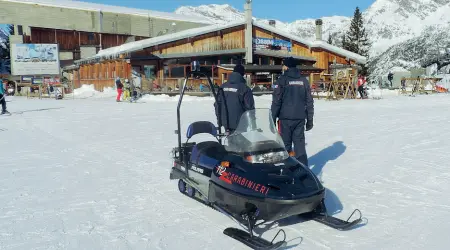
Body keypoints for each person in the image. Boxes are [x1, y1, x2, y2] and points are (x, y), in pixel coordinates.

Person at [271, 57, 314, 167]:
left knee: (285, 145)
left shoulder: (282, 80)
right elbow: (309, 102)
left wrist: (272, 119)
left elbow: (276, 101)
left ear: (286, 66)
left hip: (285, 119)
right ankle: (304, 170)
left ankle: (287, 170)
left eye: (283, 65)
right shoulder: (304, 80)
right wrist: (310, 120)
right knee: (299, 145)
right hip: (300, 118)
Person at [214, 64, 255, 133]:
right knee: (240, 142)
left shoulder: (222, 87)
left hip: (225, 122)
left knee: (230, 142)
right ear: (242, 74)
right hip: (240, 123)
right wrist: (253, 125)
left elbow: (217, 105)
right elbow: (250, 108)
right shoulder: (244, 88)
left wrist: (220, 120)